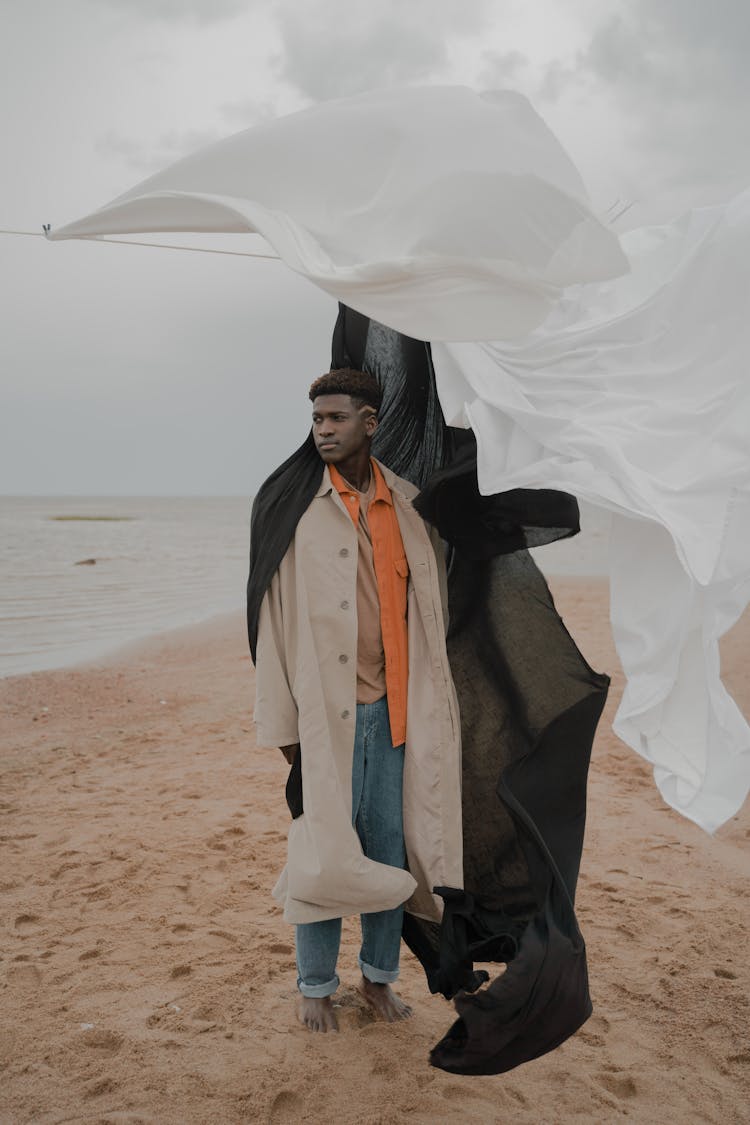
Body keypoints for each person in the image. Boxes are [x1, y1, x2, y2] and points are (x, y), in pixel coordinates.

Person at [252, 367, 463, 1034]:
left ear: (369, 423)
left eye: (336, 418)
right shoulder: (296, 505)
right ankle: (315, 984)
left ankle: (377, 980)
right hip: (326, 720)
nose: (323, 429)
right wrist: (285, 726)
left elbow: (429, 610)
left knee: (386, 853)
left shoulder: (404, 505)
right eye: (316, 419)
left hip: (397, 714)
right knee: (319, 852)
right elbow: (272, 621)